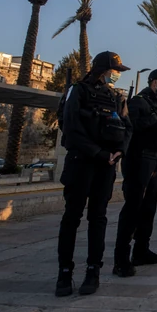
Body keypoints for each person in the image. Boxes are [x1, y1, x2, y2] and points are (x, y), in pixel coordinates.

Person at [56, 51, 132, 297]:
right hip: (81, 162)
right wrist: (99, 153)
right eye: (115, 70)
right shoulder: (77, 91)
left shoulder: (115, 97)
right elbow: (70, 127)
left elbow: (126, 127)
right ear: (102, 69)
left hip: (106, 166)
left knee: (98, 218)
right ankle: (64, 273)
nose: (117, 76)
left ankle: (93, 270)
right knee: (72, 218)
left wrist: (119, 151)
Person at [113, 68, 157, 278]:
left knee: (149, 207)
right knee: (133, 207)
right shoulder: (139, 102)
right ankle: (121, 259)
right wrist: (154, 123)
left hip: (155, 158)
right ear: (153, 82)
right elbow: (130, 128)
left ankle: (142, 250)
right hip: (138, 158)